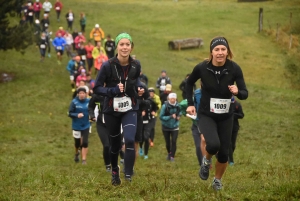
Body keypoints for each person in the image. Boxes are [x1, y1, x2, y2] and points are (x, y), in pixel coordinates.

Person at [185, 36, 248, 191]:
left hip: (226, 116)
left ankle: (217, 181)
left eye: (223, 49)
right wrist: (190, 104)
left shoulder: (234, 68)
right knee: (213, 144)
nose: (220, 52)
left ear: (227, 52)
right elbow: (188, 83)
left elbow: (245, 93)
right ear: (211, 52)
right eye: (217, 49)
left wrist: (237, 91)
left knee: (224, 153)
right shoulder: (202, 68)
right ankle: (206, 162)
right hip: (207, 114)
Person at [93, 33, 145, 185]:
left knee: (129, 139)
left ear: (131, 46)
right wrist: (113, 90)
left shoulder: (136, 64)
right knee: (114, 145)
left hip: (130, 107)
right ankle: (115, 170)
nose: (124, 47)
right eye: (121, 44)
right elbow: (96, 88)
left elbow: (137, 82)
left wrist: (140, 88)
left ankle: (128, 174)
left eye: (127, 44)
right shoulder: (107, 65)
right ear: (116, 47)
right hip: (111, 110)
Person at [88, 92, 112, 172]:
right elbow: (90, 107)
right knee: (106, 145)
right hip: (101, 124)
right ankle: (108, 165)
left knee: (114, 146)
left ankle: (116, 162)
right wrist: (92, 116)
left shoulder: (115, 92)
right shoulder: (97, 95)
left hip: (113, 123)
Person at [68, 88, 91, 165]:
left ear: (86, 94)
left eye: (83, 93)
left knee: (85, 142)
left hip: (86, 125)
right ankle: (76, 153)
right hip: (76, 125)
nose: (82, 95)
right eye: (80, 93)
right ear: (78, 94)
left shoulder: (89, 101)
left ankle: (84, 160)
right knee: (77, 143)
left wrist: (93, 117)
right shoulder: (74, 102)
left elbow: (92, 110)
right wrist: (77, 115)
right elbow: (70, 113)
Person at [159, 93, 181, 162]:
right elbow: (161, 117)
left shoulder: (178, 105)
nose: (173, 100)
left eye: (174, 98)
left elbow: (180, 112)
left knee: (174, 141)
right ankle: (169, 153)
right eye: (171, 98)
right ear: (169, 98)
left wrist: (178, 116)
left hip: (175, 126)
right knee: (167, 143)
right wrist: (170, 117)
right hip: (166, 126)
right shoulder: (164, 106)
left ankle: (172, 156)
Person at [139, 94, 158, 160]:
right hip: (140, 121)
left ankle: (146, 154)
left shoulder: (150, 101)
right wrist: (140, 113)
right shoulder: (138, 101)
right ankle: (141, 147)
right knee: (141, 137)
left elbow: (156, 106)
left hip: (149, 121)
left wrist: (154, 111)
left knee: (146, 137)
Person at [228, 97, 244, 166]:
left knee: (233, 145)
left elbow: (241, 115)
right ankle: (231, 161)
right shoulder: (225, 103)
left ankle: (227, 156)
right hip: (227, 127)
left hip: (235, 127)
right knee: (229, 144)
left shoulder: (237, 104)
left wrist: (233, 115)